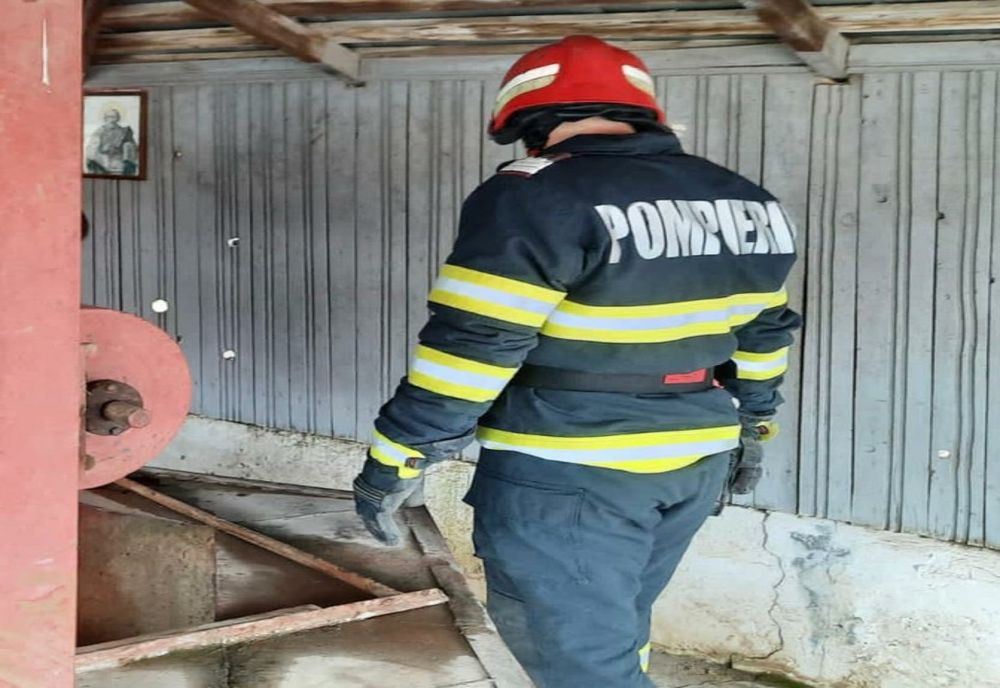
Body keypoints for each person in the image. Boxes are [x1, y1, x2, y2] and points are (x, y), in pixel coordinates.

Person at [353, 35, 800, 687]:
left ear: (530, 121)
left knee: (580, 667)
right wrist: (755, 429)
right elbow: (764, 334)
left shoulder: (534, 196)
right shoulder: (744, 200)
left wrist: (399, 457)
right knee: (617, 631)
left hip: (570, 470)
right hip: (697, 462)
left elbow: (474, 346)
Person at [85, 107, 138, 176]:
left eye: (114, 117)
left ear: (118, 118)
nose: (111, 119)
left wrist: (128, 146)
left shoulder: (124, 131)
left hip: (120, 160)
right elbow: (91, 148)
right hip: (103, 160)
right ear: (105, 118)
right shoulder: (99, 131)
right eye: (109, 117)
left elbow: (133, 147)